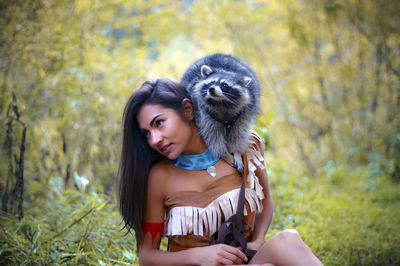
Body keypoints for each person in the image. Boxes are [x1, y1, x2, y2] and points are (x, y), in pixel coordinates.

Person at [118, 78, 323, 265]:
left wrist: (257, 242)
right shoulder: (159, 177)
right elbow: (147, 256)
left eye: (159, 123)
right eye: (147, 133)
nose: (155, 140)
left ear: (188, 109)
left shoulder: (244, 148)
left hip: (243, 261)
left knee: (288, 239)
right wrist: (199, 255)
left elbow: (265, 202)